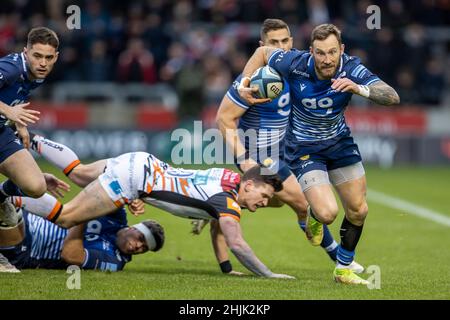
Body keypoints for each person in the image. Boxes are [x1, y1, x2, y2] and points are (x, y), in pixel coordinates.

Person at [238, 23, 400, 284]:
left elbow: (392, 96)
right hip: (304, 148)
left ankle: (343, 270)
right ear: (311, 51)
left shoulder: (351, 67)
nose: (328, 60)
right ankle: (313, 216)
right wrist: (244, 83)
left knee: (358, 210)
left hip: (340, 143)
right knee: (327, 214)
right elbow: (263, 54)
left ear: (342, 50)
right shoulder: (295, 63)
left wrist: (359, 88)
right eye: (321, 53)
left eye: (333, 52)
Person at [204, 18, 362, 274]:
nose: (281, 47)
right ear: (262, 46)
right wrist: (243, 159)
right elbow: (223, 118)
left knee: (282, 202)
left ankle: (210, 204)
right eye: (273, 43)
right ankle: (341, 260)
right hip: (260, 154)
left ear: (292, 41)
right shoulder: (253, 79)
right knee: (302, 201)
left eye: (284, 41)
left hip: (291, 149)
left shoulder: (297, 68)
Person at [19, 140, 294, 279]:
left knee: (77, 173)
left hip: (143, 162)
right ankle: (11, 197)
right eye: (264, 195)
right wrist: (268, 275)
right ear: (249, 185)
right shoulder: (229, 202)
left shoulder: (229, 178)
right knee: (67, 218)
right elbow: (237, 243)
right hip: (135, 182)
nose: (264, 202)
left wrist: (225, 268)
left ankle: (30, 139)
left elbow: (216, 223)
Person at [0, 196, 164, 272]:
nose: (138, 246)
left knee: (8, 218)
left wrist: (82, 217)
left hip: (27, 248)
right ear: (133, 228)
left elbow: (71, 256)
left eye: (144, 248)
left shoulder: (115, 261)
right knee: (26, 189)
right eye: (141, 239)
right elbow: (105, 184)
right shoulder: (117, 217)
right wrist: (131, 197)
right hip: (30, 218)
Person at [0, 27, 60, 227]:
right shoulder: (11, 68)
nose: (43, 63)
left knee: (36, 187)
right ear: (26, 52)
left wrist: (18, 122)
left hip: (1, 132)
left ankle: (1, 196)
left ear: (56, 57)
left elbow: (13, 94)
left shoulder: (37, 73)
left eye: (48, 57)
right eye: (37, 56)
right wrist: (9, 111)